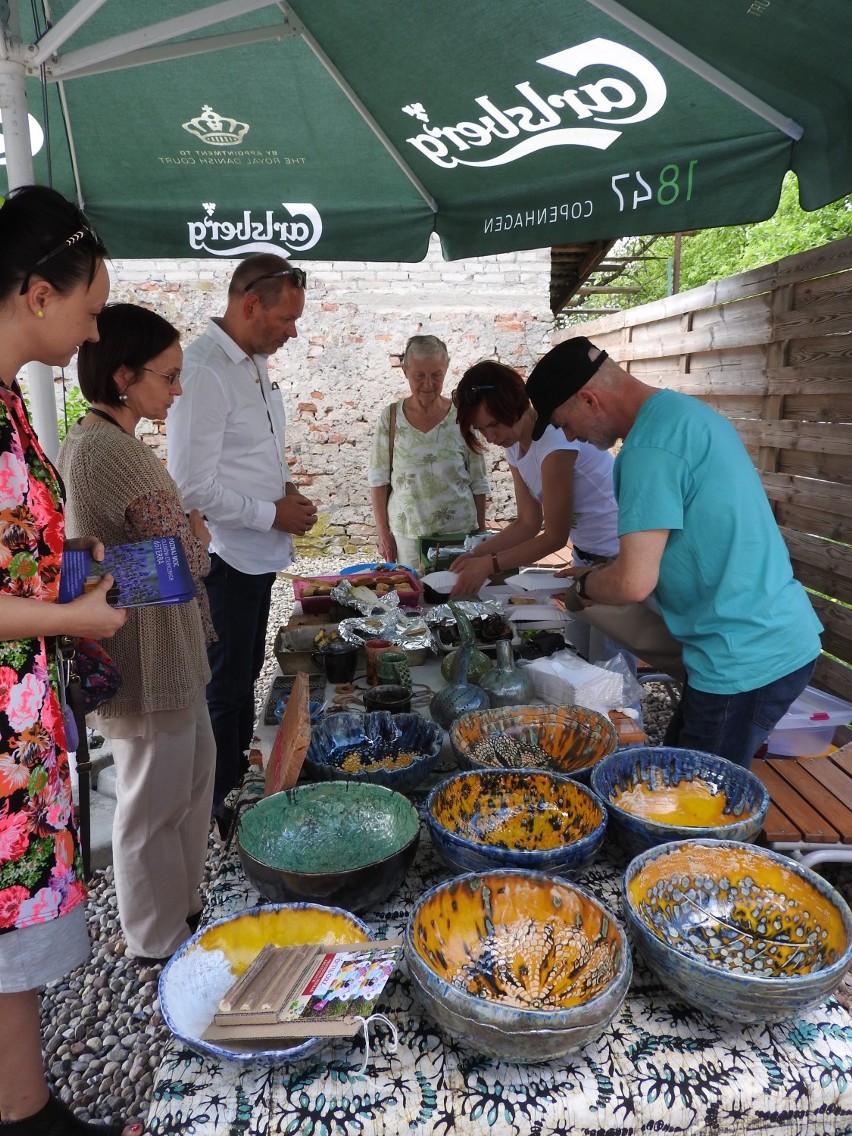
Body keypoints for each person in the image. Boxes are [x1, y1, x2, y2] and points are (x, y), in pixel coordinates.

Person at [0, 186, 139, 1135]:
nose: (95, 329)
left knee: (14, 934)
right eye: (90, 307)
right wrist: (68, 619)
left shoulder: (9, 402)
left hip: (22, 717)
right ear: (37, 292)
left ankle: (24, 1107)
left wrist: (68, 588)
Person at [526, 336, 822, 768]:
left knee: (691, 805)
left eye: (563, 421)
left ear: (588, 399)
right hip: (765, 638)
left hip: (743, 656)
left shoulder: (647, 451)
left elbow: (633, 583)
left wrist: (590, 582)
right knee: (677, 773)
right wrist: (606, 569)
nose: (569, 435)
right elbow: (683, 541)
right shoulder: (683, 414)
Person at [58, 304, 216, 965]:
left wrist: (185, 538)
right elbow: (187, 553)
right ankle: (155, 939)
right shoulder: (107, 450)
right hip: (145, 657)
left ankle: (182, 908)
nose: (177, 391)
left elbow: (163, 549)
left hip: (163, 648)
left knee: (188, 783)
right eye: (169, 376)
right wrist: (193, 536)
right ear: (124, 376)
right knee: (152, 803)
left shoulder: (107, 441)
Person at [167, 255, 317, 818]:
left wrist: (284, 491)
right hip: (227, 559)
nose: (292, 331)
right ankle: (222, 813)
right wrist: (269, 512)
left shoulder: (249, 362)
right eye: (284, 319)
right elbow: (190, 488)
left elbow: (246, 456)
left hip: (255, 555)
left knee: (244, 679)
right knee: (225, 694)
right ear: (249, 305)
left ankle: (233, 795)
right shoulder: (204, 370)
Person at [448, 359, 619, 608]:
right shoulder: (514, 443)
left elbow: (555, 537)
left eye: (494, 424)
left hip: (618, 557)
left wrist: (487, 564)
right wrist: (475, 555)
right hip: (585, 557)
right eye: (481, 430)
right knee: (580, 641)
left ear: (514, 403)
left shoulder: (555, 439)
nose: (491, 437)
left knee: (608, 644)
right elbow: (527, 522)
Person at [368, 334, 489, 569]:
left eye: (436, 375)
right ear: (405, 371)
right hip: (407, 534)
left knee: (457, 597)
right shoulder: (391, 417)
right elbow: (378, 478)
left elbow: (478, 479)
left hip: (458, 533)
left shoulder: (462, 415)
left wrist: (480, 532)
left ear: (446, 371)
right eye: (419, 375)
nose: (428, 384)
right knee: (413, 597)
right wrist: (383, 533)